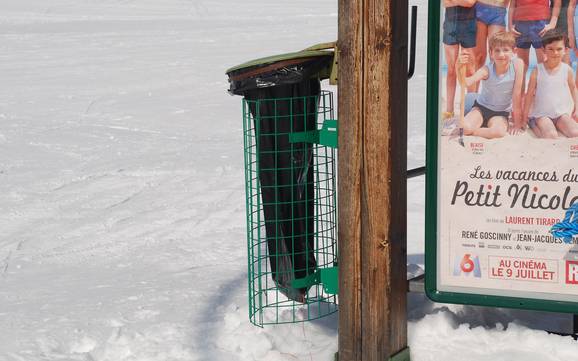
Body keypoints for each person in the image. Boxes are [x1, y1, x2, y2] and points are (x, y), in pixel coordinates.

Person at [458, 31, 524, 138]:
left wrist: (517, 125)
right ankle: (470, 123)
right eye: (497, 50)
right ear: (491, 53)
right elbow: (466, 82)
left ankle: (474, 129)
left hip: (500, 112)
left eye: (506, 50)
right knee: (465, 129)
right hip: (481, 107)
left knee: (498, 132)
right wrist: (459, 66)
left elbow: (516, 96)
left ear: (513, 51)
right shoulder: (486, 70)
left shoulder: (518, 65)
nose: (501, 54)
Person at [523, 30, 578, 138]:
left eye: (559, 49)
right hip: (542, 114)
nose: (555, 53)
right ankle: (533, 122)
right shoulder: (537, 70)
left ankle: (556, 125)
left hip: (561, 113)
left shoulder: (567, 70)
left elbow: (573, 89)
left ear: (565, 50)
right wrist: (525, 116)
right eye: (551, 49)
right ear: (543, 50)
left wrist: (577, 108)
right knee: (551, 135)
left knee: (575, 132)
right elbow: (529, 94)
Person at [509, 0, 561, 82]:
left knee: (543, 63)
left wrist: (553, 23)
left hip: (540, 23)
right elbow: (512, 3)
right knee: (522, 65)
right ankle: (520, 93)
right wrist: (510, 24)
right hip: (520, 25)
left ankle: (542, 92)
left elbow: (557, 2)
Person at [443, 0, 477, 120]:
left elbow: (470, 2)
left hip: (469, 25)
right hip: (450, 24)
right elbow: (443, 3)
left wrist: (453, 1)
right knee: (451, 70)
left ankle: (469, 110)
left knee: (470, 71)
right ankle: (449, 110)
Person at [474, 0, 510, 72]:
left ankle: (495, 82)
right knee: (479, 56)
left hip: (498, 10)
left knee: (496, 54)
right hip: (480, 7)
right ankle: (474, 82)